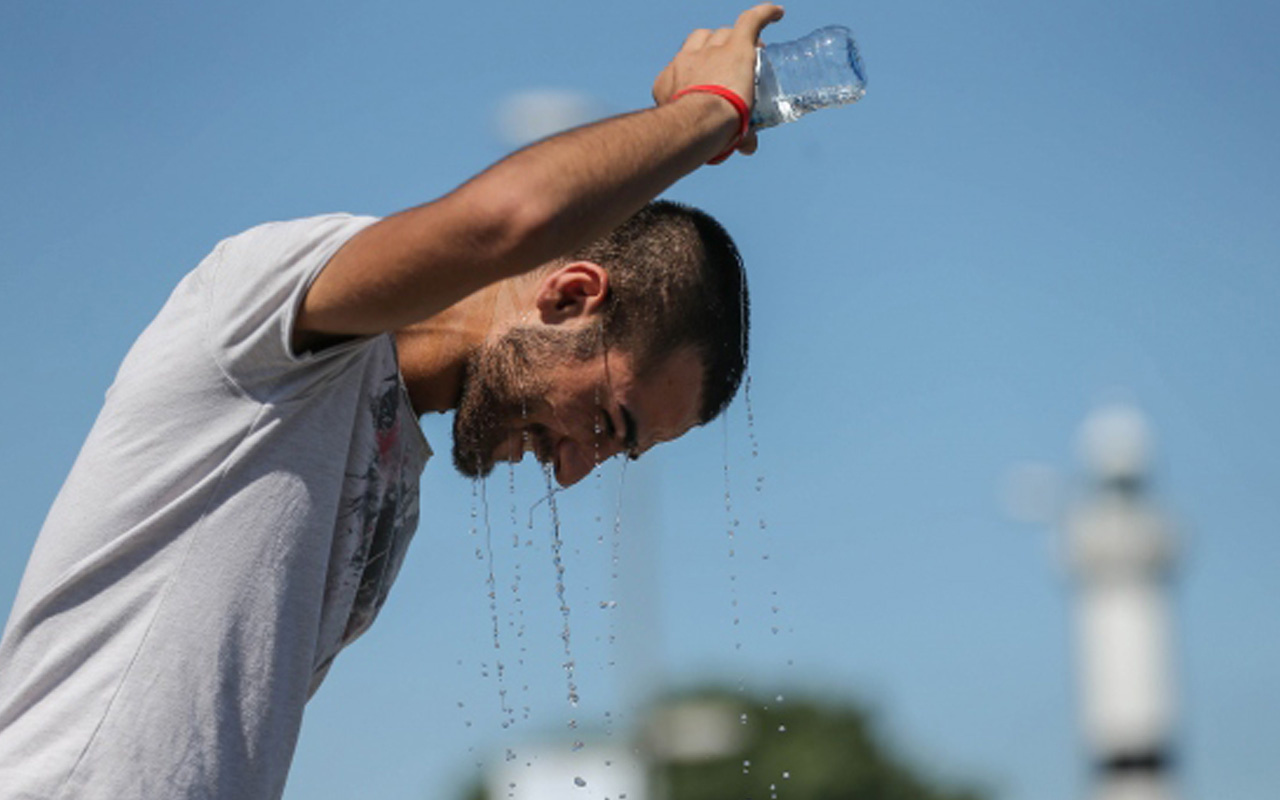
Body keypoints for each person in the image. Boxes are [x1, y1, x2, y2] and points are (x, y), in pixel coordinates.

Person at [0, 4, 784, 798]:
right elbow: (505, 221)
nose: (576, 471)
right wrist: (708, 113)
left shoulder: (392, 485)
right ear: (569, 296)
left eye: (621, 450)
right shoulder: (272, 317)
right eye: (607, 423)